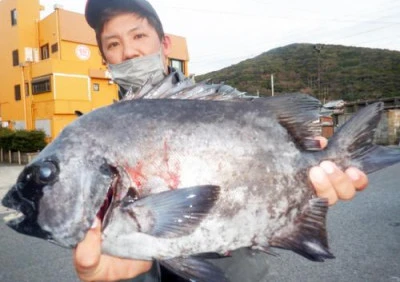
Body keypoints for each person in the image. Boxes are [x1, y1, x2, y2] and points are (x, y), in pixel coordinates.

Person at [74, 0, 369, 281]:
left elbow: (270, 132)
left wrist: (307, 164)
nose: (128, 52)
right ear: (105, 59)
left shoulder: (220, 101)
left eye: (138, 35)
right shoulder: (96, 135)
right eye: (113, 44)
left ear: (164, 45)